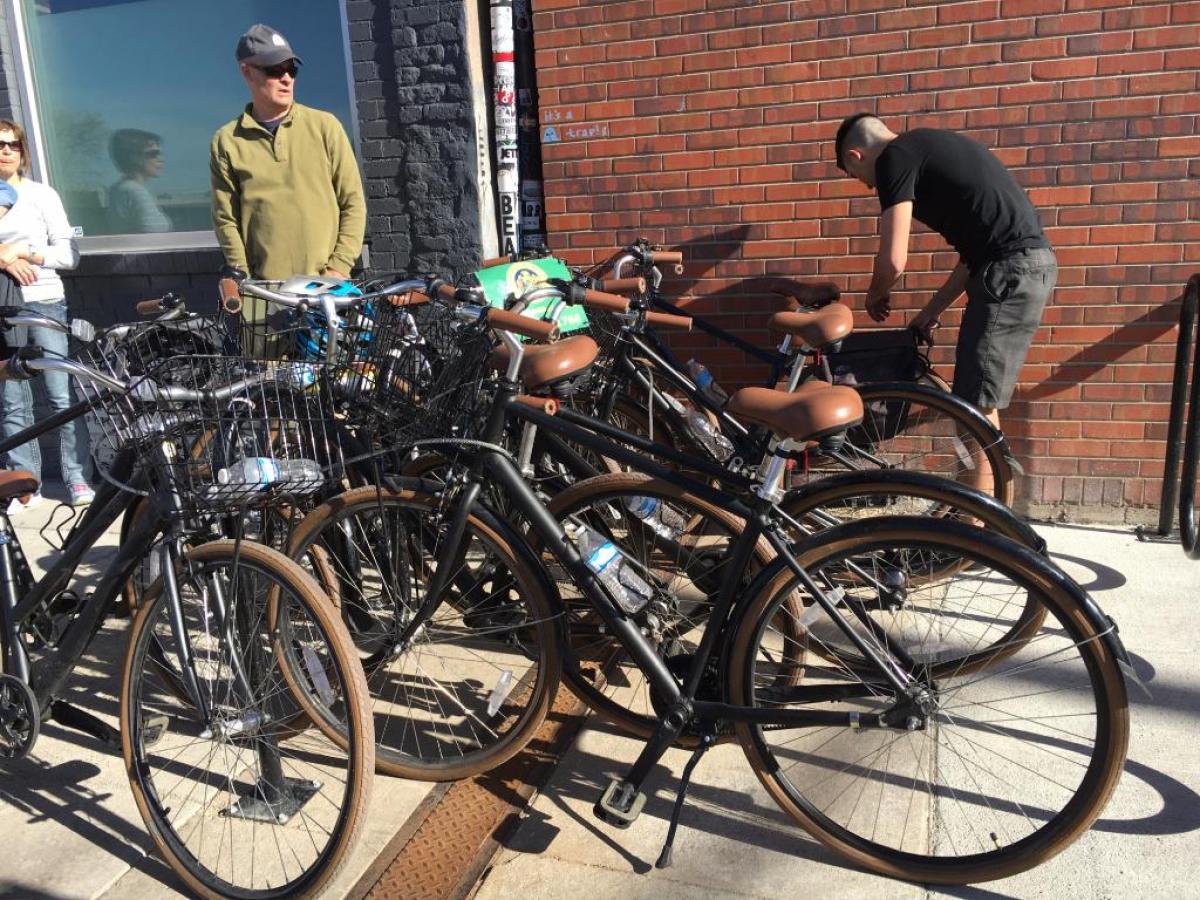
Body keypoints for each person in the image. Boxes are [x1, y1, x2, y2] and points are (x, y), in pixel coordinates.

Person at [833, 114, 1057, 443]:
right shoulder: (927, 146)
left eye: (859, 177)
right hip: (1020, 267)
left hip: (1010, 271)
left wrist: (875, 294)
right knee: (975, 400)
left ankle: (983, 479)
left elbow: (893, 261)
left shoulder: (894, 156)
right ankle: (984, 477)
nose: (870, 186)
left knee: (974, 407)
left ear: (856, 156)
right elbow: (973, 257)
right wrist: (930, 312)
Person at [209, 23, 365, 284]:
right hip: (266, 291)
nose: (286, 78)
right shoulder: (227, 141)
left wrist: (338, 268)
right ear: (247, 72)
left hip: (327, 289)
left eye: (291, 69)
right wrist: (245, 279)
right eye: (274, 70)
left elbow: (353, 202)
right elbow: (227, 220)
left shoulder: (325, 127)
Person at [0, 119, 92, 510]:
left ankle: (77, 477)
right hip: (3, 309)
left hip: (44, 301)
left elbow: (69, 255)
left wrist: (24, 253)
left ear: (23, 152)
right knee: (12, 399)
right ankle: (24, 484)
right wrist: (4, 258)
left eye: (13, 145)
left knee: (60, 393)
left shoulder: (41, 195)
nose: (6, 151)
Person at [108, 128, 171, 234]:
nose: (160, 159)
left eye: (160, 153)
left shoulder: (121, 189)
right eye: (153, 154)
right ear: (134, 157)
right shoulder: (133, 190)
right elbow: (154, 233)